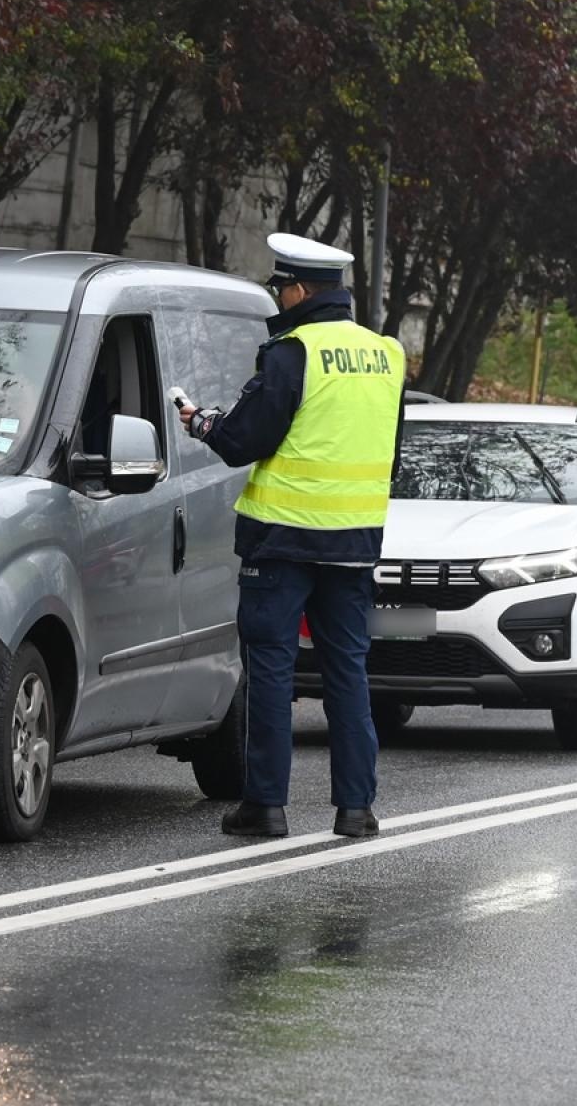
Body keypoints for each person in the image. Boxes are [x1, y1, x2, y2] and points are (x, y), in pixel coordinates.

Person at [179, 232, 406, 839]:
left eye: (282, 288)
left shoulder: (292, 353)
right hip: (354, 542)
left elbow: (241, 442)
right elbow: (393, 454)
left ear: (301, 290)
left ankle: (266, 807)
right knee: (347, 673)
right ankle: (356, 811)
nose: (279, 299)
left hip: (282, 542)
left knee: (272, 672)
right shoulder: (388, 355)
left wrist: (200, 421)